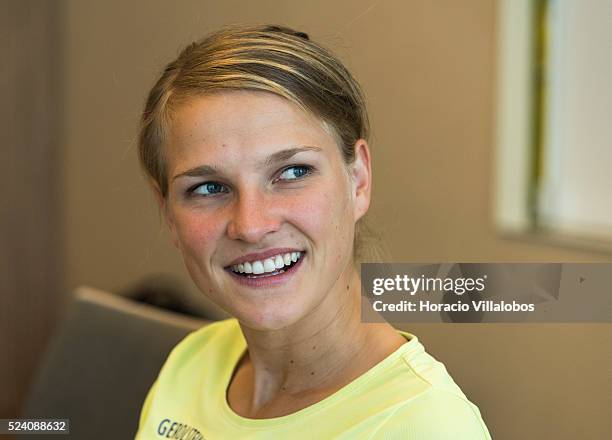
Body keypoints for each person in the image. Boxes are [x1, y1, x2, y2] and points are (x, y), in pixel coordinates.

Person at [134, 24, 491, 439]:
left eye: (292, 172)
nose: (251, 225)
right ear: (168, 213)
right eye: (209, 188)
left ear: (358, 180)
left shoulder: (424, 425)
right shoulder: (190, 364)